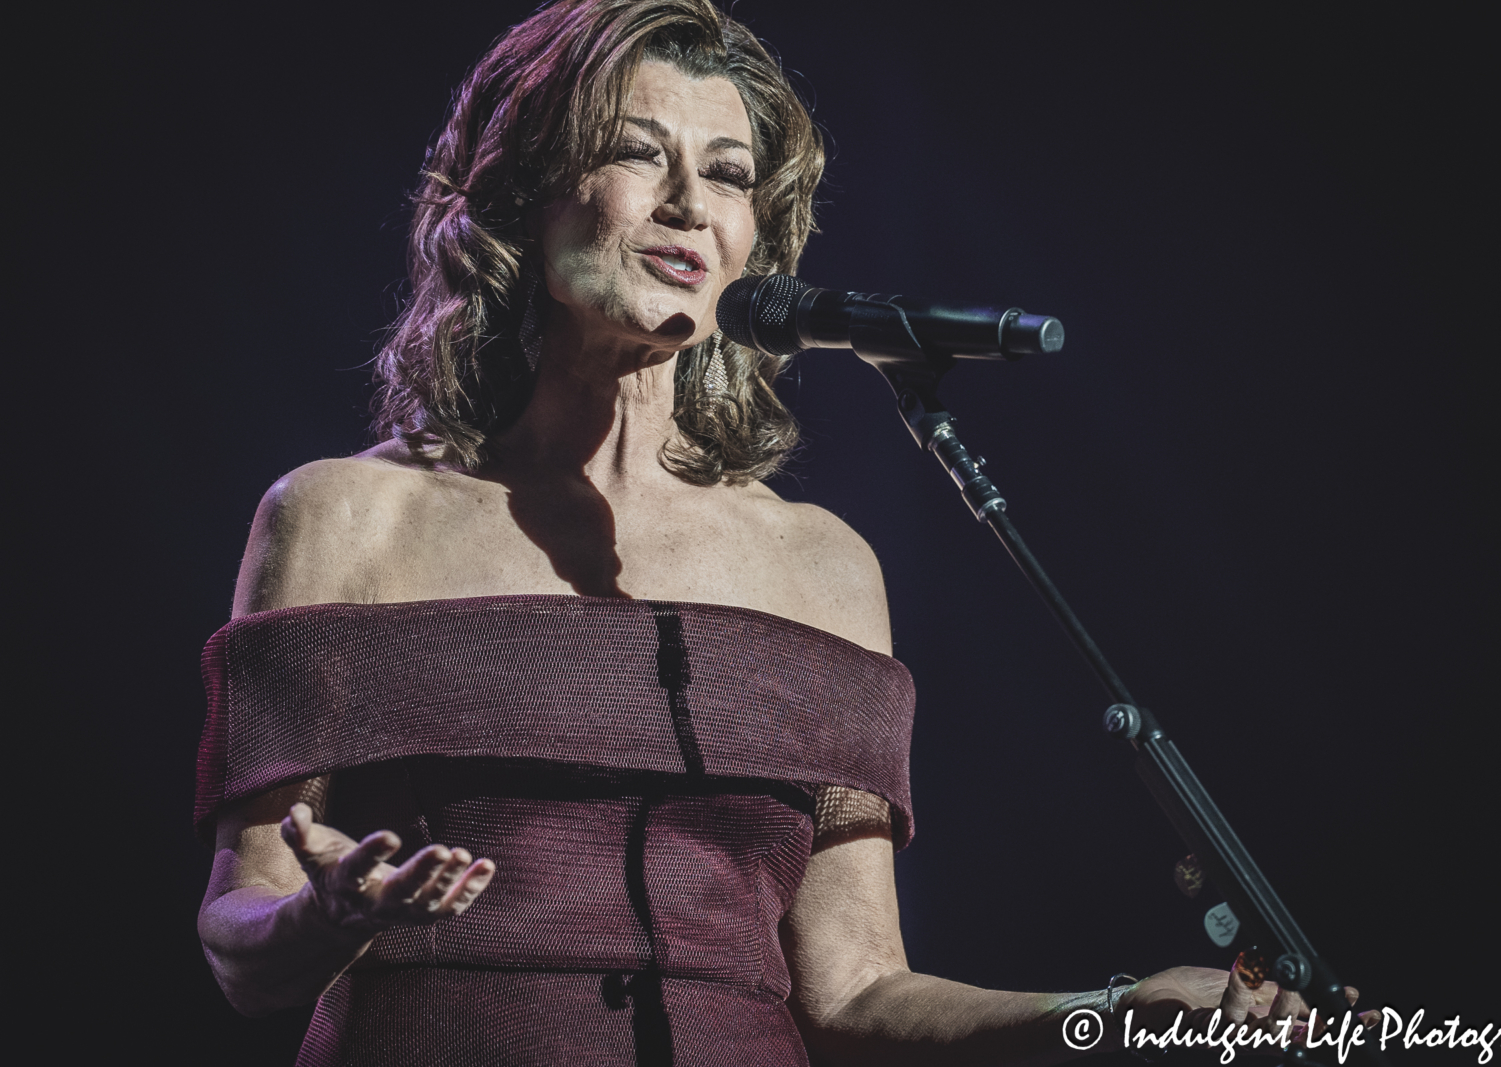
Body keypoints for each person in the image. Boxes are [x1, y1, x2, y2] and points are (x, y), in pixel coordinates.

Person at [196, 2, 1360, 1063]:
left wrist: (1111, 1016)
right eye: (638, 152)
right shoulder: (347, 516)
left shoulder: (819, 565)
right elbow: (239, 940)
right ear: (523, 192)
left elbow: (854, 993)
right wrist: (325, 913)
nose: (688, 205)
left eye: (729, 173)